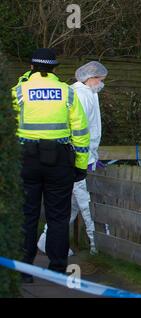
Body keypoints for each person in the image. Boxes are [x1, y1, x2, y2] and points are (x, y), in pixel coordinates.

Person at [12, 48, 90, 282]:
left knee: (26, 215)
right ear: (55, 68)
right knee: (57, 217)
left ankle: (25, 271)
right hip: (59, 161)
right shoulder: (67, 93)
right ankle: (57, 270)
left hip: (25, 159)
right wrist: (81, 165)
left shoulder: (18, 92)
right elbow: (80, 132)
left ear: (32, 67)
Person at [37, 61, 108, 256]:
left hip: (83, 156)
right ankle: (96, 247)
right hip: (79, 158)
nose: (102, 84)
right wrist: (83, 158)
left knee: (72, 205)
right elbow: (80, 130)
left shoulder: (89, 94)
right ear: (91, 78)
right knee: (85, 203)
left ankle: (47, 240)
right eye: (101, 80)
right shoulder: (80, 95)